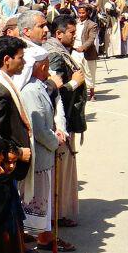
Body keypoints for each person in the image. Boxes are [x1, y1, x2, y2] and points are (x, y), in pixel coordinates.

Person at [19, 47, 73, 253]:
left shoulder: (39, 86)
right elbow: (38, 128)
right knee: (37, 198)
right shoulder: (30, 91)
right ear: (41, 66)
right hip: (39, 155)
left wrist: (58, 131)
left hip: (45, 154)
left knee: (44, 198)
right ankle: (43, 237)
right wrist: (55, 141)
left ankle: (43, 236)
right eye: (47, 65)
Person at [43, 15, 88, 229]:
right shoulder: (55, 55)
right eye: (71, 32)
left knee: (64, 171)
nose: (74, 36)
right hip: (60, 123)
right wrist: (74, 83)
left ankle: (58, 214)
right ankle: (54, 217)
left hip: (66, 120)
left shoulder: (60, 52)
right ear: (59, 34)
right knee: (59, 173)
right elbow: (53, 91)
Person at [73, 4, 99, 95]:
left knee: (89, 73)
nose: (81, 15)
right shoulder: (74, 23)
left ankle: (92, 92)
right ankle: (80, 92)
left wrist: (83, 47)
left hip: (88, 52)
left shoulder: (92, 25)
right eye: (79, 13)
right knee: (78, 71)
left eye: (83, 13)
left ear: (87, 13)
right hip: (75, 51)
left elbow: (91, 39)